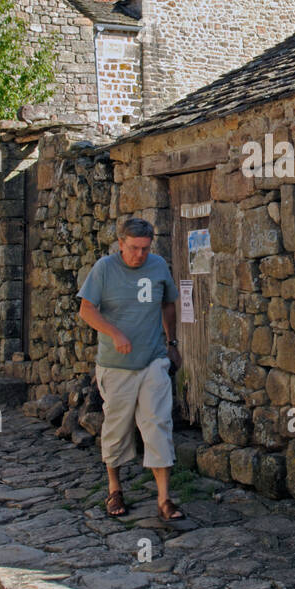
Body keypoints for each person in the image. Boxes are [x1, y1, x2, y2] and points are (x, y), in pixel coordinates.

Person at [77, 217, 185, 522]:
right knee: (117, 427)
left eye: (145, 248)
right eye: (134, 248)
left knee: (158, 423)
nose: (140, 254)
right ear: (121, 243)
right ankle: (115, 488)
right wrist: (114, 333)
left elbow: (168, 304)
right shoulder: (104, 270)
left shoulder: (158, 266)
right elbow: (86, 309)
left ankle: (164, 499)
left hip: (152, 359)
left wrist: (171, 342)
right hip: (116, 365)